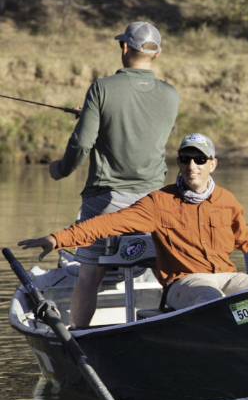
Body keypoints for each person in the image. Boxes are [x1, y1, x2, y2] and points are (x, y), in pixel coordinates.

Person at [19, 134, 248, 322]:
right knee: (211, 299)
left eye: (200, 159)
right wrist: (56, 238)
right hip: (185, 281)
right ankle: (227, 344)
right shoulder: (159, 202)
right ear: (178, 162)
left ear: (213, 164)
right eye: (186, 159)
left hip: (227, 275)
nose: (192, 165)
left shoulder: (227, 199)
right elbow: (107, 223)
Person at [47, 21, 180, 326]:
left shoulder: (102, 89)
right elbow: (143, 129)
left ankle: (78, 337)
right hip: (153, 204)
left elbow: (81, 144)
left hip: (104, 199)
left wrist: (60, 169)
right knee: (166, 269)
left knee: (90, 274)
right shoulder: (171, 95)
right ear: (157, 54)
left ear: (124, 47)